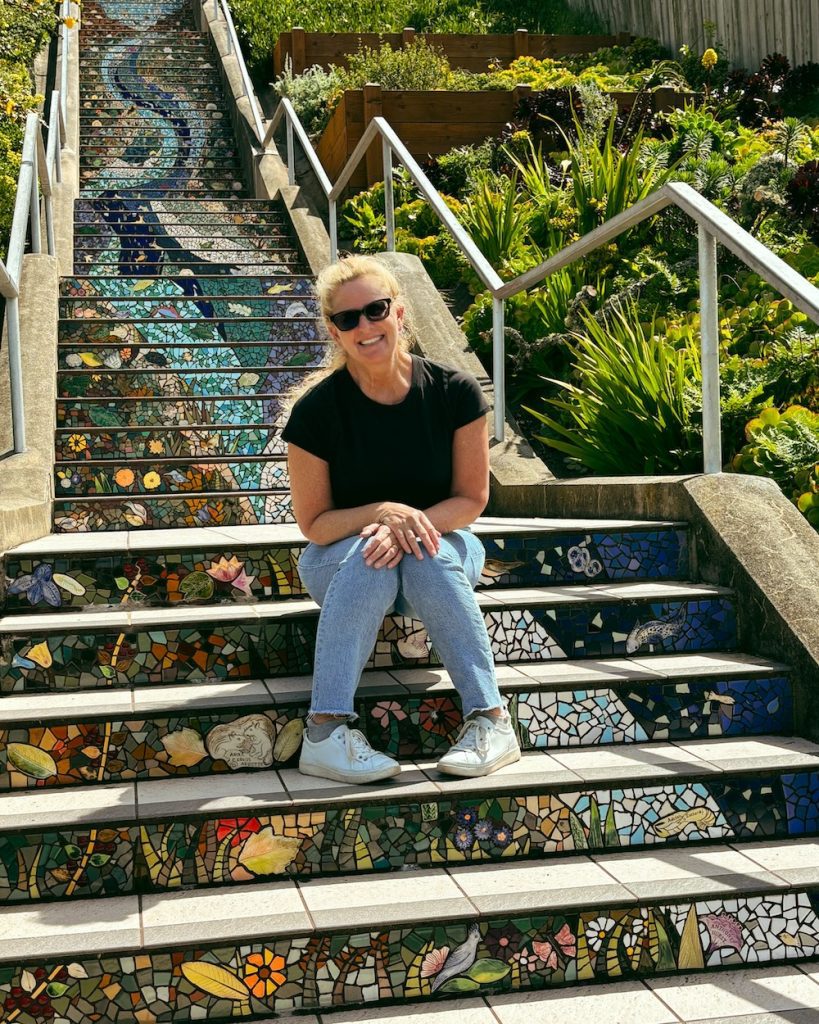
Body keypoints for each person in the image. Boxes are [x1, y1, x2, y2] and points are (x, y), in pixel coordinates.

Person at [282, 254, 521, 784]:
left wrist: (409, 525)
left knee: (426, 550)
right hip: (337, 559)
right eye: (348, 319)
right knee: (372, 555)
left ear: (400, 312)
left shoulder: (455, 392)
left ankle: (490, 721)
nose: (364, 326)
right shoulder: (316, 413)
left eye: (375, 310)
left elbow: (470, 500)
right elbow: (316, 524)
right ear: (334, 331)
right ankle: (326, 732)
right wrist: (381, 515)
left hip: (443, 548)